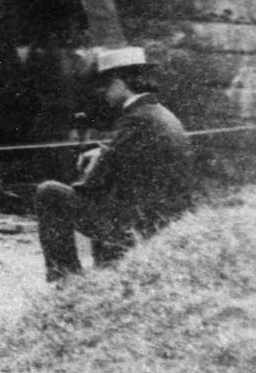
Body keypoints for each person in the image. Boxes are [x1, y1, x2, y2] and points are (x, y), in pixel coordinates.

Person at [35, 45, 193, 281]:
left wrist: (87, 174)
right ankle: (98, 271)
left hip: (137, 223)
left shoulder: (136, 119)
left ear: (120, 83)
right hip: (163, 217)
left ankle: (65, 280)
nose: (103, 93)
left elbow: (97, 181)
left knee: (49, 193)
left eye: (105, 85)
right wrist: (104, 153)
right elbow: (128, 157)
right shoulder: (158, 114)